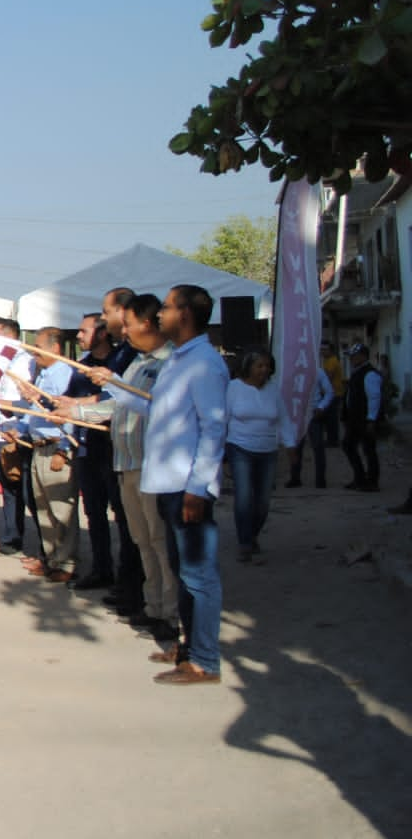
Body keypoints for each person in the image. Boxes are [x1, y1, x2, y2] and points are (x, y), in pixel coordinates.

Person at [104, 284, 227, 686]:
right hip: (168, 485)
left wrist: (198, 486)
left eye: (169, 308)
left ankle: (205, 660)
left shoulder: (204, 363)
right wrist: (112, 384)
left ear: (186, 314)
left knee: (198, 576)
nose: (160, 315)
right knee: (183, 572)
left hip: (187, 487)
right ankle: (187, 649)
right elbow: (155, 407)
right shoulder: (179, 361)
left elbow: (213, 428)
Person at [67, 293, 179, 642]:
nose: (123, 331)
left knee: (160, 542)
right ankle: (153, 606)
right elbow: (118, 406)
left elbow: (158, 408)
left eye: (126, 323)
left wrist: (108, 388)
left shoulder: (171, 364)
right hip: (127, 463)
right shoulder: (136, 364)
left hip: (153, 466)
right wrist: (74, 412)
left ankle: (171, 614)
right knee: (142, 540)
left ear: (146, 323)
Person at [224, 348, 296, 562]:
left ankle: (252, 534)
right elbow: (223, 418)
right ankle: (245, 542)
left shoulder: (273, 389)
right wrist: (218, 452)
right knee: (244, 497)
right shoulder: (233, 388)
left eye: (267, 366)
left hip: (268, 450)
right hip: (239, 447)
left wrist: (290, 445)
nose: (264, 370)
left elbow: (283, 419)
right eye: (259, 366)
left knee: (263, 501)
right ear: (248, 367)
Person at [19, 327, 78, 582]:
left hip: (55, 447)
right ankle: (51, 557)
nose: (34, 351)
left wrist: (64, 450)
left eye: (39, 346)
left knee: (60, 509)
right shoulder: (43, 374)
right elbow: (36, 410)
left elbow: (70, 412)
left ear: (55, 348)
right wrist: (19, 429)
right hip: (38, 446)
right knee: (44, 509)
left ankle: (66, 563)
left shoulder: (64, 373)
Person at [0, 318, 33, 555]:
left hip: (12, 432)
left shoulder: (26, 363)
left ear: (9, 335)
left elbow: (32, 400)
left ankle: (12, 537)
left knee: (11, 488)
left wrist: (9, 406)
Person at [285, 355, 334, 489]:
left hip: (313, 414)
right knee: (296, 446)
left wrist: (321, 407)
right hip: (297, 414)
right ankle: (295, 478)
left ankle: (320, 480)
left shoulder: (318, 372)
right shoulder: (292, 371)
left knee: (318, 447)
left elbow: (330, 392)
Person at [342, 342, 383, 492]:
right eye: (351, 356)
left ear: (363, 356)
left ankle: (372, 481)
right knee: (348, 445)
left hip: (365, 419)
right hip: (355, 419)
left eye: (355, 356)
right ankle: (359, 478)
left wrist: (371, 419)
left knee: (368, 449)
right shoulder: (357, 372)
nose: (352, 359)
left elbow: (374, 398)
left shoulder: (370, 374)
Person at [320, 341, 345, 446]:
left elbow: (328, 377)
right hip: (330, 393)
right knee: (329, 417)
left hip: (334, 393)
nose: (323, 351)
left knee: (332, 418)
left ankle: (333, 440)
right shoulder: (326, 361)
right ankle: (331, 438)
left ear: (331, 350)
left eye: (325, 349)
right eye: (322, 349)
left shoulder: (332, 361)